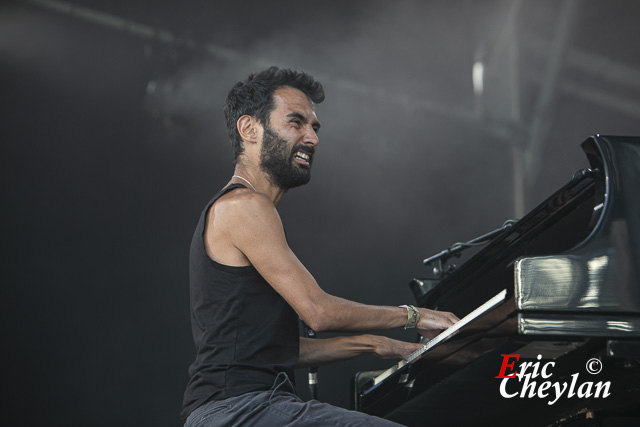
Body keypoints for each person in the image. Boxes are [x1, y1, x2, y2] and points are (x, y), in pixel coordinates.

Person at [182, 66, 459, 426]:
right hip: (239, 410)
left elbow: (275, 352)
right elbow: (319, 312)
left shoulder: (241, 209)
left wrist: (375, 344)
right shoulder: (244, 206)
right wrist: (414, 315)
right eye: (296, 122)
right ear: (249, 129)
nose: (312, 138)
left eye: (314, 127)